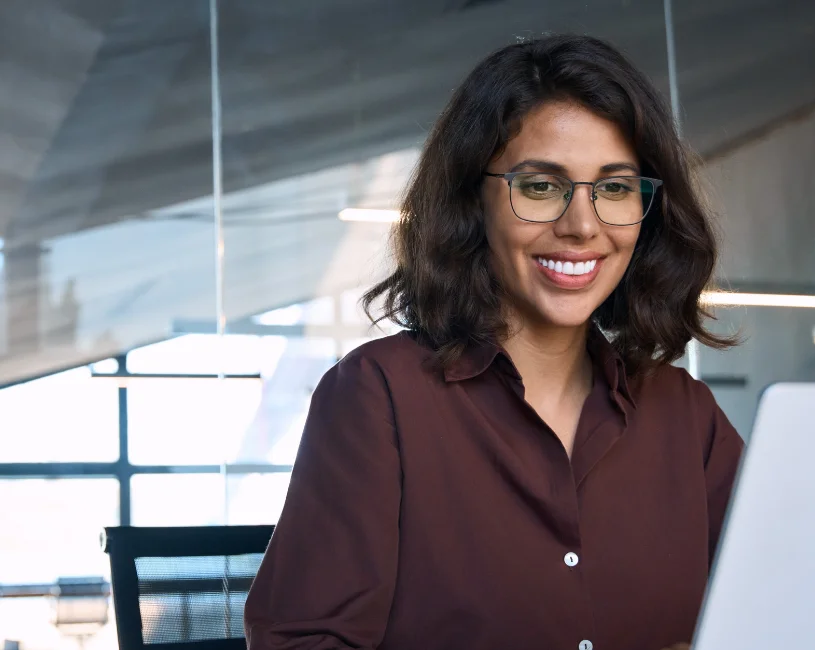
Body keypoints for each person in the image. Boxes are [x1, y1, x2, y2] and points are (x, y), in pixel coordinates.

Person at [244, 34, 743, 650]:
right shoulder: (381, 397)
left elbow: (785, 607)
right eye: (539, 187)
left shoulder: (685, 417)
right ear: (471, 201)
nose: (582, 225)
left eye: (614, 188)